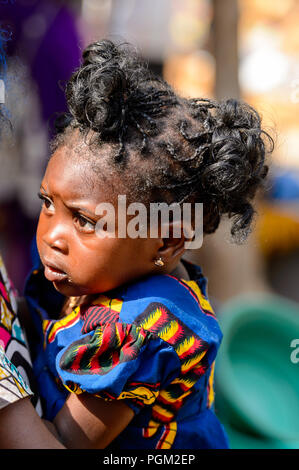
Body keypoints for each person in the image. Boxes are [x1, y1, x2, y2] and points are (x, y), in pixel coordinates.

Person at [22, 39, 272, 449]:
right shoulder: (107, 273)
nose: (51, 235)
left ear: (168, 240)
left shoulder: (142, 331)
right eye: (48, 203)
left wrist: (6, 398)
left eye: (84, 221)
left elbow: (62, 443)